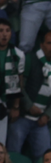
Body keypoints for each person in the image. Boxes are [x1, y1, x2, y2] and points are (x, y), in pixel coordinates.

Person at [7, 31, 51, 160]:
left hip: (41, 121)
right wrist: (28, 106)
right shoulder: (30, 59)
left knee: (45, 159)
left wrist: (47, 115)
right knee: (13, 154)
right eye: (49, 43)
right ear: (42, 45)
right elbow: (20, 84)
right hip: (22, 116)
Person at [0, 18, 23, 146]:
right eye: (1, 30)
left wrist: (16, 106)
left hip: (3, 103)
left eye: (7, 31)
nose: (4, 34)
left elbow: (19, 82)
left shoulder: (18, 55)